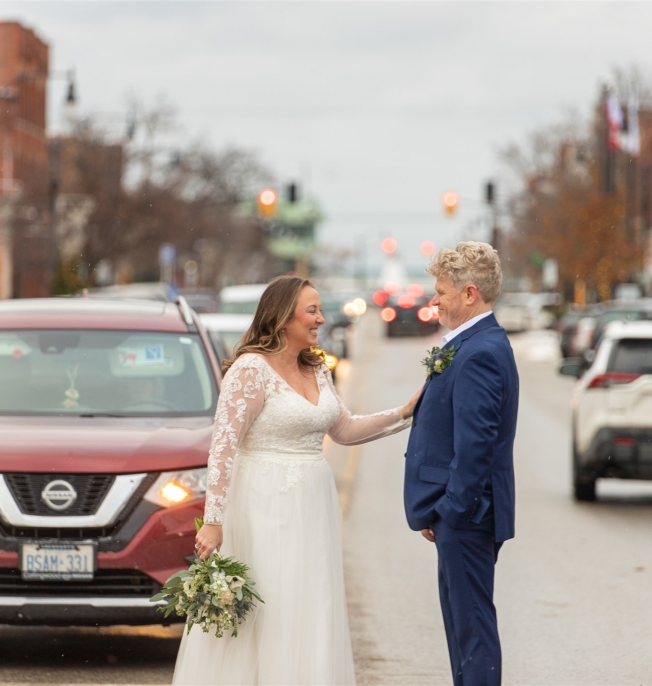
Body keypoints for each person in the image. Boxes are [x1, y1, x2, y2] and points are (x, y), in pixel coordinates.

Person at [172, 275, 419, 686]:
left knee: (310, 604)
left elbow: (344, 430)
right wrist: (213, 521)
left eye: (320, 309)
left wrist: (405, 413)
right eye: (312, 310)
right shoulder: (252, 370)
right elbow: (222, 447)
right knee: (270, 608)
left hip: (313, 507)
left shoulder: (316, 367)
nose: (321, 318)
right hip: (262, 506)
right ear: (284, 317)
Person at [403, 241, 519, 686]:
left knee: (472, 633)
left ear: (469, 294)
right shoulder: (473, 344)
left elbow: (476, 447)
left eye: (441, 291)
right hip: (463, 515)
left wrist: (450, 510)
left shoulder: (481, 352)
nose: (435, 300)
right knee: (462, 629)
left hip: (469, 517)